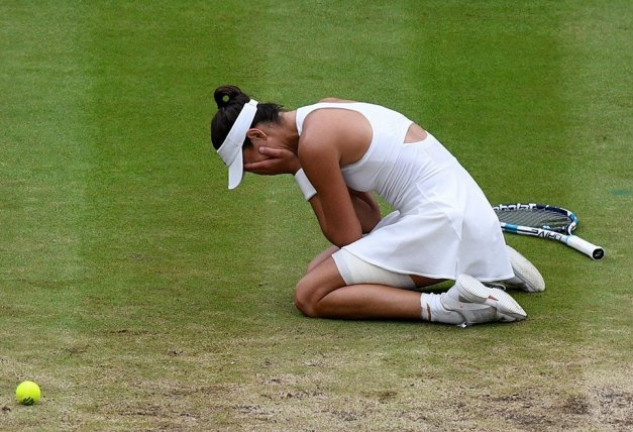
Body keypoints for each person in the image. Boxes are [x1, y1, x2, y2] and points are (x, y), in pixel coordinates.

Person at [210, 85, 545, 326]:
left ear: (256, 137)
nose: (258, 172)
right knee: (319, 271)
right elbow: (368, 219)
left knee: (310, 294)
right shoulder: (325, 110)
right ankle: (483, 259)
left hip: (443, 221)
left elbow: (348, 237)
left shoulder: (314, 144)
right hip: (461, 213)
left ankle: (450, 305)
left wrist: (298, 170)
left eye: (249, 163)